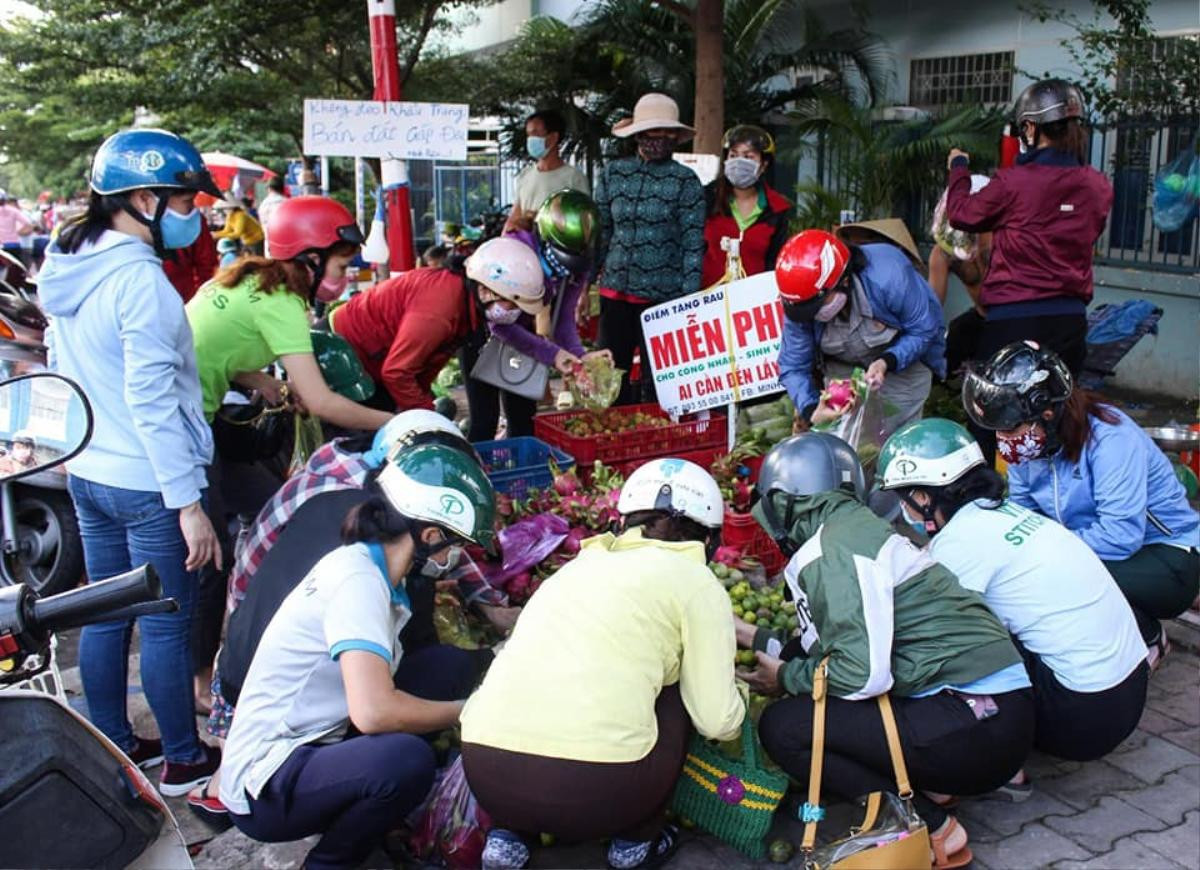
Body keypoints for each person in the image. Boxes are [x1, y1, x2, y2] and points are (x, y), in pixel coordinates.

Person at [187, 411, 516, 824]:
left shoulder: (361, 512)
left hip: (247, 666)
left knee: (442, 669)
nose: (455, 558)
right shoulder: (364, 571)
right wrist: (470, 710)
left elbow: (247, 582)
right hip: (275, 735)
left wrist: (485, 605)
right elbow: (375, 710)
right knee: (403, 759)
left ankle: (243, 785)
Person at [741, 433, 1033, 870]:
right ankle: (934, 784)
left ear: (784, 502)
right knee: (817, 692)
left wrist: (783, 678)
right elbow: (823, 648)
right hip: (999, 717)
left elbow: (859, 675)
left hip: (977, 727)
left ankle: (931, 824)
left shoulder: (831, 551)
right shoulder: (854, 530)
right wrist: (742, 633)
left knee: (785, 726)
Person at [38, 127, 224, 796]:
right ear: (144, 199)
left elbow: (67, 373)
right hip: (147, 483)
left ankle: (114, 743)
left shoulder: (70, 267)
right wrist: (188, 504)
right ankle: (181, 759)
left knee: (106, 613)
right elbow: (150, 400)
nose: (192, 215)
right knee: (167, 624)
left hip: (89, 473)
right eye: (183, 202)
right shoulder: (140, 284)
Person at [462, 458, 743, 870]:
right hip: (600, 796)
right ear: (709, 536)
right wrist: (742, 706)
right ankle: (634, 843)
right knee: (677, 691)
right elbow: (717, 721)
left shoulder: (573, 569)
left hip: (486, 775)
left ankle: (508, 837)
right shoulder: (697, 583)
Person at [877, 418, 1147, 787]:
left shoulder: (959, 542)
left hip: (1083, 718)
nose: (903, 508)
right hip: (1127, 693)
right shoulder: (1005, 514)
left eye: (902, 496)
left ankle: (1000, 761)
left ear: (924, 496)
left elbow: (926, 631)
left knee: (940, 648)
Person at [962, 341, 1200, 666]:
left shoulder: (1111, 441)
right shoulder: (1030, 446)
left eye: (1010, 428)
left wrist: (1046, 552)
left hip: (1167, 554)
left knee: (1057, 579)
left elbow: (1119, 537)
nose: (1005, 439)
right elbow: (1022, 511)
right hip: (1093, 548)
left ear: (1047, 412)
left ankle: (1145, 634)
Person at [945, 80, 1112, 459]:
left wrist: (959, 169)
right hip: (1069, 320)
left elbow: (962, 214)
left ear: (1031, 128)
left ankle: (986, 498)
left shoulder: (1014, 182)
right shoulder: (1098, 185)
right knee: (1060, 417)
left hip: (1014, 321)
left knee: (992, 413)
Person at [187, 195, 394, 433]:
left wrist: (267, 383)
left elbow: (218, 351)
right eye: (342, 267)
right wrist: (396, 422)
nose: (345, 278)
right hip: (181, 417)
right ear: (314, 260)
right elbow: (321, 403)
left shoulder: (254, 280)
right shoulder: (281, 302)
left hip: (172, 405)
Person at [330, 236, 543, 413]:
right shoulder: (441, 309)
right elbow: (397, 372)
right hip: (340, 355)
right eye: (512, 302)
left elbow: (419, 367)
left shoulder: (466, 308)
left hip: (371, 365)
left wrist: (422, 406)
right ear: (488, 291)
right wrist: (428, 417)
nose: (515, 311)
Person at [463, 191, 607, 441]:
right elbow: (499, 325)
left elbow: (562, 323)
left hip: (524, 336)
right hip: (483, 330)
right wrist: (552, 354)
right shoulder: (514, 249)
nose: (565, 271)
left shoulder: (576, 266)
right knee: (484, 420)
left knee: (523, 420)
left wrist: (580, 360)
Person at [775, 229, 946, 436]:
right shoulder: (800, 303)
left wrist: (886, 361)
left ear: (843, 281)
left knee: (893, 442)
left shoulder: (889, 276)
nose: (814, 314)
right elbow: (792, 366)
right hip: (842, 369)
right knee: (842, 443)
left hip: (902, 365)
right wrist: (811, 409)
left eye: (818, 305)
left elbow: (923, 330)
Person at [595, 93, 707, 404]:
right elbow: (602, 232)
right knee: (609, 382)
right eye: (651, 134)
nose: (658, 141)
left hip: (663, 300)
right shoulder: (613, 174)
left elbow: (693, 246)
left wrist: (687, 303)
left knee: (659, 384)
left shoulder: (686, 182)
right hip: (614, 293)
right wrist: (585, 284)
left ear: (675, 138)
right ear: (638, 136)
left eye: (666, 135)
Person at [700, 125, 792, 287]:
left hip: (753, 303)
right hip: (707, 301)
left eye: (748, 157)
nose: (738, 163)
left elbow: (775, 264)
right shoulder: (705, 198)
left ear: (764, 165)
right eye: (733, 155)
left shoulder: (777, 209)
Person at [504, 109, 590, 233]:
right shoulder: (525, 175)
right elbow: (514, 217)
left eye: (535, 133)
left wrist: (540, 219)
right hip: (527, 248)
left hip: (558, 249)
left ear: (553, 137)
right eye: (529, 135)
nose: (530, 140)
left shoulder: (574, 178)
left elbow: (582, 222)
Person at [162, 220, 218, 303]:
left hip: (187, 300)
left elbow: (208, 267)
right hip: (188, 300)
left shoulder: (188, 218)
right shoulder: (186, 217)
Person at [0, 190, 34, 267]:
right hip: (14, 244)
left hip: (1, 246)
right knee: (15, 269)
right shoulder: (13, 211)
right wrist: (19, 232)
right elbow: (28, 224)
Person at [256, 175, 287, 254]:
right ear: (282, 188)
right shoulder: (287, 203)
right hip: (287, 245)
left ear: (269, 189)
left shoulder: (263, 205)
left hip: (270, 245)